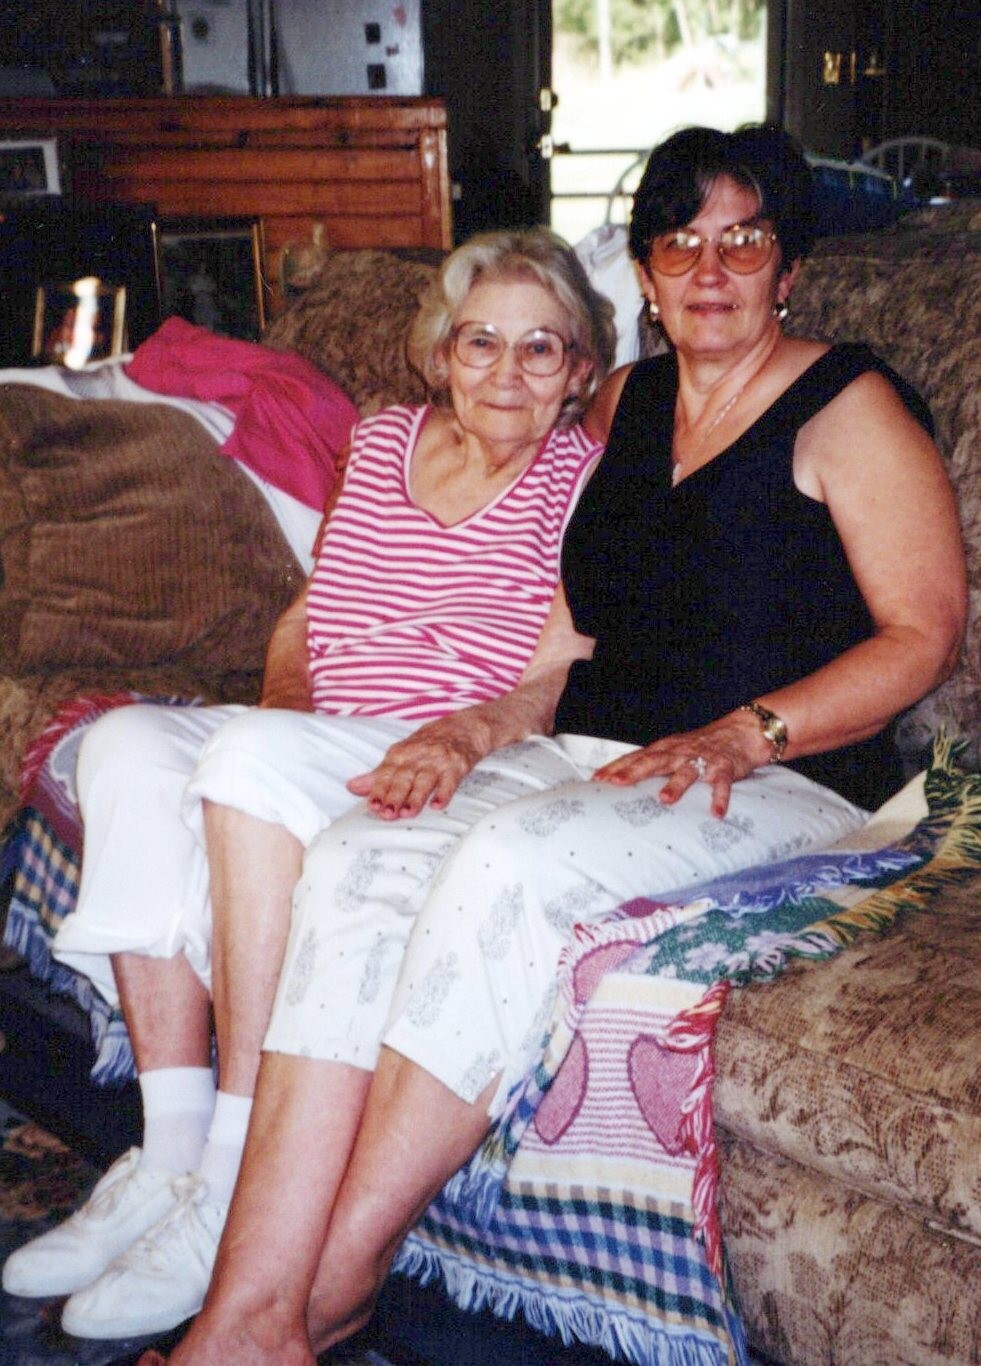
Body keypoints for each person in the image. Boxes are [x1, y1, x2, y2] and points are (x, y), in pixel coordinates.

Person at [147, 123, 966, 1366]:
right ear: (644, 273)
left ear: (789, 265)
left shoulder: (847, 405)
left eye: (744, 238)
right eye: (679, 240)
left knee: (509, 865)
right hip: (599, 753)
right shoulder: (627, 406)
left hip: (787, 782)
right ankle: (245, 1305)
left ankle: (322, 1296)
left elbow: (924, 634)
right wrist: (470, 731)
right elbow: (566, 636)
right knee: (363, 849)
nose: (710, 266)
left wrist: (748, 731)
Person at [1, 227, 615, 1337]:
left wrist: (458, 737)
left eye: (541, 348)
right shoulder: (381, 441)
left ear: (579, 369)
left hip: (444, 749)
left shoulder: (588, 481)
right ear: (442, 352)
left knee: (242, 762)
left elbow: (557, 670)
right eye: (481, 342)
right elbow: (307, 611)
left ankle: (234, 1183)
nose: (506, 372)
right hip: (320, 734)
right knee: (126, 743)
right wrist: (285, 706)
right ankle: (171, 1151)